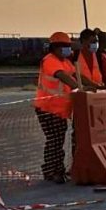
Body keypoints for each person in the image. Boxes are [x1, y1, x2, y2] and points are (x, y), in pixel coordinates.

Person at [34, 32, 81, 183]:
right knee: (54, 141)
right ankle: (51, 171)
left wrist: (93, 86)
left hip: (59, 110)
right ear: (56, 48)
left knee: (57, 140)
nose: (69, 49)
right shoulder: (50, 61)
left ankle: (56, 170)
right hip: (48, 109)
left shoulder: (65, 61)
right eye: (66, 46)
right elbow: (64, 77)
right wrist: (80, 87)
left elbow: (76, 74)